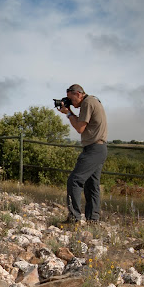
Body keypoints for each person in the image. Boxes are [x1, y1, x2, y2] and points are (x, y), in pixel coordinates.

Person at [58, 84, 108, 223]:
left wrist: (68, 113)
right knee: (92, 186)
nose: (71, 103)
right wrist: (71, 112)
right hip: (99, 148)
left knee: (74, 181)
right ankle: (93, 220)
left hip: (94, 149)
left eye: (70, 99)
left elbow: (80, 128)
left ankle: (74, 218)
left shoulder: (87, 102)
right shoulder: (92, 101)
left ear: (79, 94)